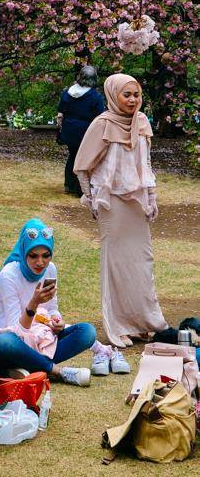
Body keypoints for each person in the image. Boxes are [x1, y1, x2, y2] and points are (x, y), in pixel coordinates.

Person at [74, 73, 168, 349]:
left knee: (142, 263)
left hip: (137, 201)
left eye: (136, 95)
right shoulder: (102, 124)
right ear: (113, 95)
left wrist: (152, 197)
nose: (132, 100)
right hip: (111, 202)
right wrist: (92, 198)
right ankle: (119, 326)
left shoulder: (142, 122)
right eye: (126, 95)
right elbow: (82, 167)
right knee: (116, 265)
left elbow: (146, 163)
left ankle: (143, 322)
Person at [0, 219, 98, 386]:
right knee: (4, 342)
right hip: (14, 340)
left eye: (45, 255)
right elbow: (17, 330)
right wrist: (34, 303)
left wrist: (57, 321)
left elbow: (52, 308)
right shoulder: (8, 275)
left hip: (42, 338)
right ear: (24, 252)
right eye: (33, 256)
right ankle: (57, 371)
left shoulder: (50, 269)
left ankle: (23, 368)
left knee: (87, 332)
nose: (40, 262)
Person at [57, 66, 106, 195]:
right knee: (82, 159)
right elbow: (100, 116)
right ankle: (79, 189)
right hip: (85, 130)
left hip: (69, 128)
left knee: (72, 155)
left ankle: (69, 185)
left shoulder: (67, 92)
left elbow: (61, 110)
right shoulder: (95, 96)